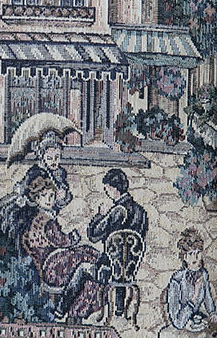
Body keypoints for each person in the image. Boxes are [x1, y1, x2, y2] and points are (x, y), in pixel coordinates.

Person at [21, 176, 107, 321]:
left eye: (51, 196)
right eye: (44, 196)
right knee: (83, 259)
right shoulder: (45, 220)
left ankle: (99, 264)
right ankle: (68, 307)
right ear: (37, 199)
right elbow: (61, 241)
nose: (49, 200)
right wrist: (75, 234)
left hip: (54, 260)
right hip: (52, 266)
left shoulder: (43, 216)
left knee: (84, 251)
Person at [87, 167, 149, 283]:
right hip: (129, 272)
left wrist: (100, 215)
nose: (106, 192)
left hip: (109, 269)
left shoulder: (117, 211)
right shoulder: (141, 211)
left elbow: (93, 235)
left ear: (114, 188)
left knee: (82, 269)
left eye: (107, 188)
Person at [21, 131, 73, 214]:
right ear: (42, 157)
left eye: (57, 157)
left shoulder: (60, 173)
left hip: (51, 211)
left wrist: (63, 196)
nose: (54, 161)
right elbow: (25, 191)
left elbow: (64, 195)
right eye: (49, 158)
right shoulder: (35, 172)